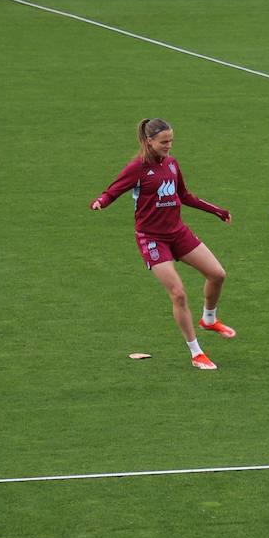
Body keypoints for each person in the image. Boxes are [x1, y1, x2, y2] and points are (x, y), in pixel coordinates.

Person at [91, 118, 235, 370]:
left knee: (217, 274)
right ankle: (196, 353)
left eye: (171, 141)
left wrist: (216, 210)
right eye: (164, 142)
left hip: (177, 232)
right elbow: (114, 189)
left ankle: (209, 319)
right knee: (178, 293)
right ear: (149, 141)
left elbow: (184, 196)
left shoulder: (171, 164)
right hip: (152, 238)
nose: (169, 146)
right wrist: (102, 201)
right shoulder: (138, 167)